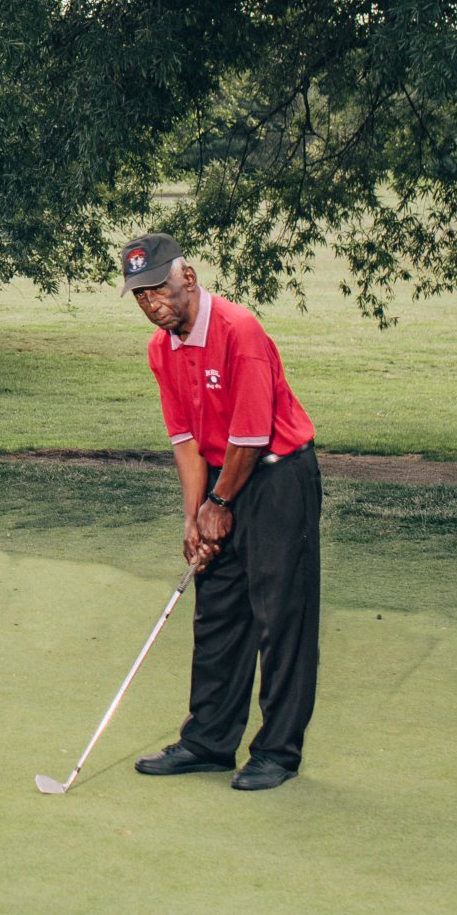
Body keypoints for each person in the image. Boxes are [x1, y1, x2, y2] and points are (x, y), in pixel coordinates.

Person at [120, 233, 322, 792]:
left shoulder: (240, 330)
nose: (152, 303)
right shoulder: (161, 350)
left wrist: (220, 504)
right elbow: (185, 441)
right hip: (218, 481)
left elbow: (252, 435)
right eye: (140, 295)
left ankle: (278, 751)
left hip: (278, 479)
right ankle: (209, 741)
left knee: (279, 617)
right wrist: (195, 518)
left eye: (159, 288)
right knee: (217, 611)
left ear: (188, 277)